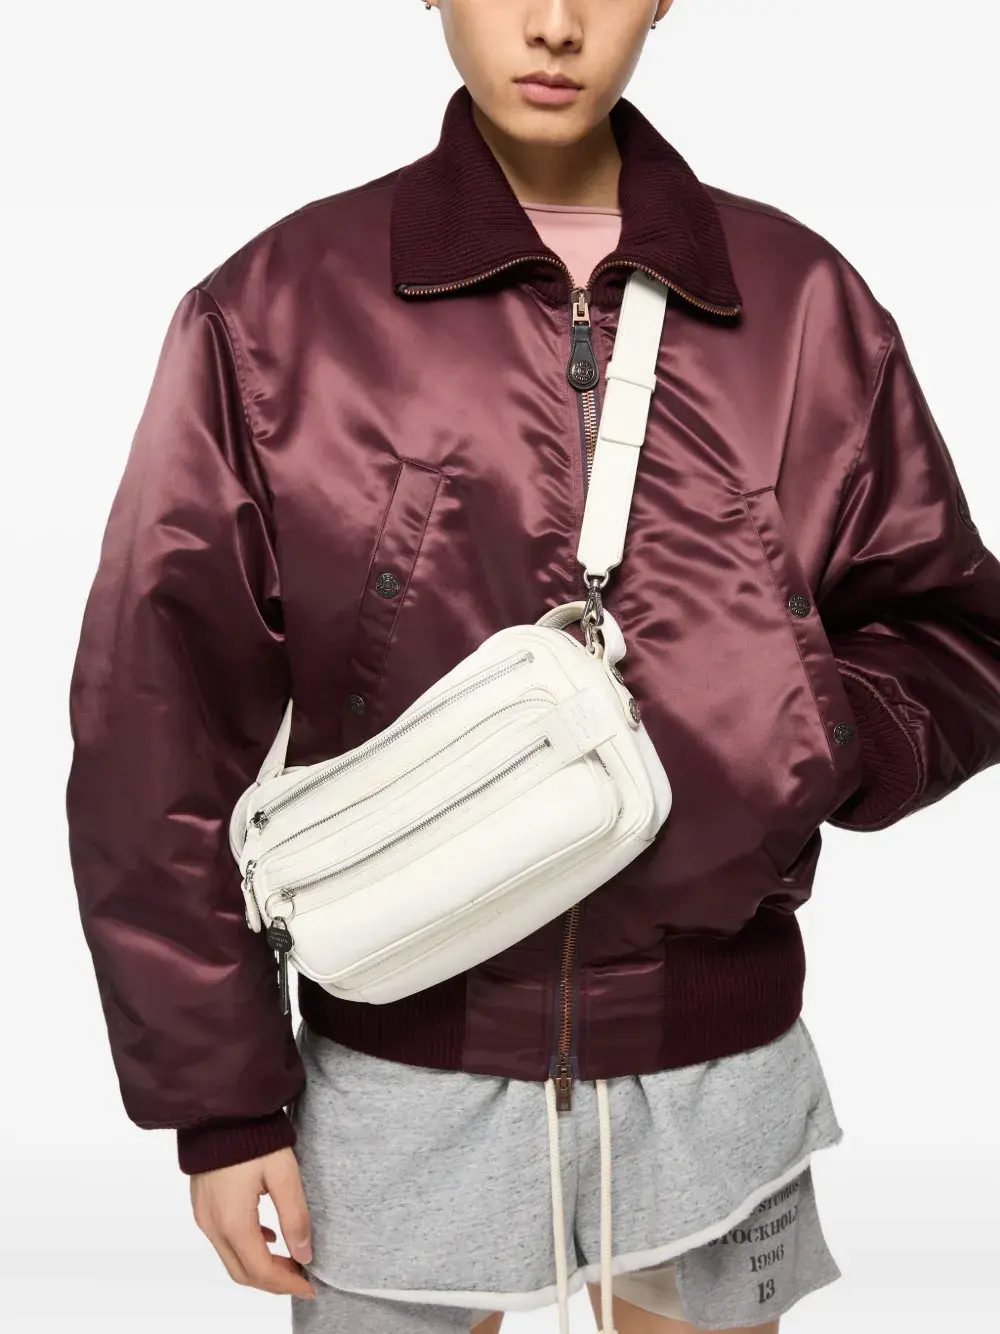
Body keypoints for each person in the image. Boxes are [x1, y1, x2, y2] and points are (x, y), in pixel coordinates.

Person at [65, 2, 1000, 1332]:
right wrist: (221, 1101)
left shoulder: (801, 303)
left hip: (718, 1070)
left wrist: (811, 730)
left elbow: (952, 627)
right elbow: (155, 720)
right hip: (394, 1069)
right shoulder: (278, 309)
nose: (554, 24)